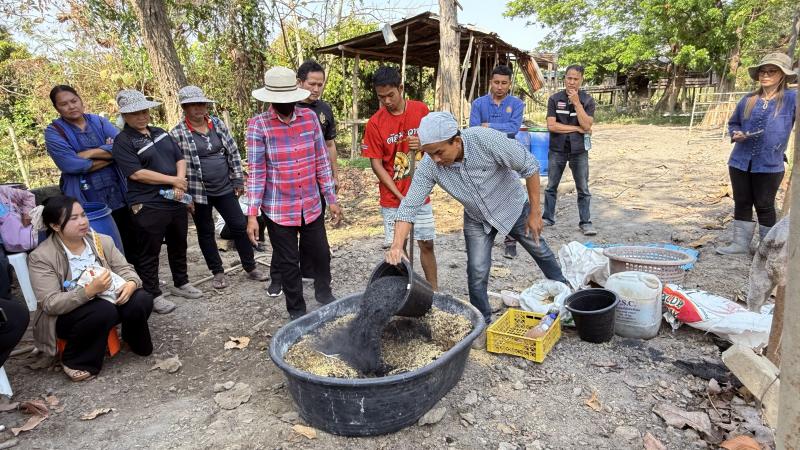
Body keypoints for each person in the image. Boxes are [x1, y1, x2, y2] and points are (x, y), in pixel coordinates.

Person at [385, 112, 568, 324]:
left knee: (540, 250)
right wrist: (397, 246)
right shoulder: (430, 164)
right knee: (477, 271)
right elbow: (409, 206)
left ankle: (567, 297)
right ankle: (482, 322)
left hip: (512, 207)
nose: (435, 159)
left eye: (439, 152)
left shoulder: (485, 139)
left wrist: (535, 212)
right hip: (477, 218)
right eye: (429, 154)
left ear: (456, 141)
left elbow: (530, 165)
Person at [246, 66, 342, 320]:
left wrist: (331, 199)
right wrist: (252, 215)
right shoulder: (258, 126)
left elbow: (321, 161)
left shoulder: (309, 118)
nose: (285, 104)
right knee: (288, 262)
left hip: (311, 203)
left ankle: (324, 293)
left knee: (321, 253)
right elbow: (256, 173)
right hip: (278, 209)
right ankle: (297, 311)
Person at [27, 195, 153, 381]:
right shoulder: (42, 257)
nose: (83, 222)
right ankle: (75, 360)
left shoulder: (101, 241)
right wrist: (87, 292)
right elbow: (50, 303)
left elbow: (125, 269)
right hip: (66, 315)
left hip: (108, 301)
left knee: (141, 298)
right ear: (55, 226)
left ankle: (132, 339)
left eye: (83, 215)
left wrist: (131, 283)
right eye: (73, 218)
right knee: (102, 310)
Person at [112, 90, 203, 314]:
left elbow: (179, 158)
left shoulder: (160, 132)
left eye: (144, 111)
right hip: (147, 202)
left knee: (179, 242)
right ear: (125, 116)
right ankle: (153, 293)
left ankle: (181, 281)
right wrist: (173, 180)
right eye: (136, 113)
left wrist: (179, 183)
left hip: (175, 198)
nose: (142, 116)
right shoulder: (123, 141)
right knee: (149, 251)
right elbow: (136, 173)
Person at [169, 86, 268, 289]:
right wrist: (186, 198)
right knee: (205, 232)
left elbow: (233, 151)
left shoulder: (217, 124)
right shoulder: (177, 133)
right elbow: (175, 167)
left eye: (201, 104)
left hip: (224, 187)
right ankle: (217, 272)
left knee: (239, 225)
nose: (199, 108)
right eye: (193, 105)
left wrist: (238, 179)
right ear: (185, 108)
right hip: (198, 192)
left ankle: (250, 267)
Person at [265, 59, 340, 296]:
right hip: (285, 192)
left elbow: (328, 146)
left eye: (320, 84)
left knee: (315, 239)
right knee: (285, 242)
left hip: (313, 185)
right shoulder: (279, 110)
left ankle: (312, 277)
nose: (316, 89)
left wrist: (334, 176)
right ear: (299, 83)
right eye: (312, 84)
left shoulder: (321, 111)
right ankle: (278, 279)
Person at [362, 66, 438, 290]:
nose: (386, 101)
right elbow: (376, 164)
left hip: (420, 193)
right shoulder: (375, 123)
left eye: (390, 95)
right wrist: (399, 194)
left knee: (426, 243)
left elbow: (437, 143)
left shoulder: (420, 110)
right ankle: (407, 291)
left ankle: (434, 291)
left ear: (401, 88)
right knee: (399, 249)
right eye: (381, 97)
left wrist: (422, 143)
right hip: (392, 198)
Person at [44, 85, 138, 265]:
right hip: (86, 200)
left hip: (119, 193)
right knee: (99, 249)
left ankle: (135, 279)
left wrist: (89, 153)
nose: (71, 106)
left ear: (80, 100)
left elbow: (123, 147)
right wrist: (110, 155)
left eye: (74, 101)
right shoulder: (54, 132)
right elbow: (70, 164)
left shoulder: (99, 122)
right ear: (56, 108)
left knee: (132, 244)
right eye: (64, 104)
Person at [717, 53, 797, 255]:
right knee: (742, 202)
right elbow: (734, 123)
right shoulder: (749, 99)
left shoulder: (792, 99)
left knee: (764, 204)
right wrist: (735, 133)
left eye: (772, 71)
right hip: (740, 161)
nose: (765, 75)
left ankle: (766, 249)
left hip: (770, 162)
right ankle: (740, 245)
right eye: (762, 71)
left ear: (783, 75)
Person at [469, 65, 526, 259]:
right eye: (496, 82)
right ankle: (486, 237)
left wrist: (488, 126)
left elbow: (514, 128)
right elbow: (474, 130)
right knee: (484, 195)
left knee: (511, 196)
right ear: (490, 82)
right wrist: (492, 128)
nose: (499, 87)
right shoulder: (478, 104)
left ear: (509, 84)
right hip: (484, 156)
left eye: (504, 83)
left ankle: (511, 240)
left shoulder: (516, 104)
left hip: (509, 155)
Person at [543, 65, 597, 236]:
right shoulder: (554, 99)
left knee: (583, 188)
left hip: (579, 150)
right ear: (564, 78)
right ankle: (548, 218)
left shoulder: (587, 100)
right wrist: (576, 129)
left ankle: (585, 222)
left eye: (575, 79)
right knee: (551, 186)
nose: (572, 82)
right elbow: (552, 126)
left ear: (581, 80)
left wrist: (576, 103)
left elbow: (587, 125)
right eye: (569, 78)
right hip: (557, 149)